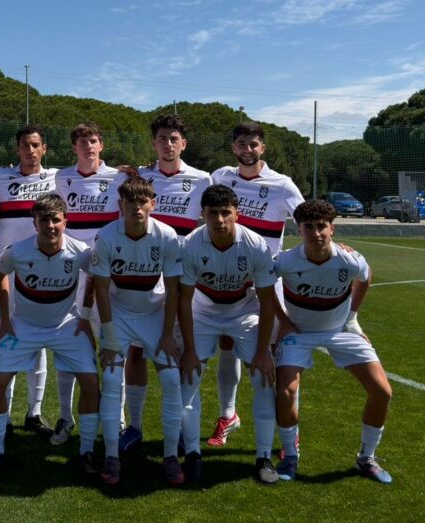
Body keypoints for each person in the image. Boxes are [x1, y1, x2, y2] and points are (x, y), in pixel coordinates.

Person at [273, 199, 393, 483]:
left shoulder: (349, 259)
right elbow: (263, 286)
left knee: (382, 392)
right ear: (298, 229)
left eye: (322, 227)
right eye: (309, 227)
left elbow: (365, 276)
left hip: (340, 330)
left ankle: (367, 458)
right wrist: (283, 320)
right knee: (287, 392)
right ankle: (290, 456)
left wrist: (352, 317)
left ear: (332, 229)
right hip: (299, 334)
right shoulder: (286, 260)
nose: (316, 233)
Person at [0, 194, 100, 475]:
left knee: (92, 384)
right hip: (23, 326)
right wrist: (7, 319)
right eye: (44, 220)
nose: (50, 226)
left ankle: (86, 452)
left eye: (55, 220)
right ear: (35, 223)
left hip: (66, 325)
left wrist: (83, 318)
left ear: (65, 221)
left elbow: (95, 277)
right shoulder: (18, 251)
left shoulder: (79, 251)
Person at [118, 113, 212, 457]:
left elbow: (220, 220)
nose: (168, 144)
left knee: (185, 350)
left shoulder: (203, 179)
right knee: (136, 352)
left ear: (183, 143)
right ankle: (136, 427)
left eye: (174, 138)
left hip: (185, 276)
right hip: (146, 271)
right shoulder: (143, 178)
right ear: (154, 143)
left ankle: (187, 432)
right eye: (162, 139)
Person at [208, 122, 304, 448]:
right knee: (226, 348)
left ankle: (287, 434)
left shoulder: (282, 184)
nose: (247, 150)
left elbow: (306, 221)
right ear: (234, 148)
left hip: (265, 285)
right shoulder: (221, 177)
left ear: (262, 148)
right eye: (241, 144)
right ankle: (228, 415)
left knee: (272, 360)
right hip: (226, 282)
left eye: (253, 144)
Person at [179, 184, 279, 484]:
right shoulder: (191, 245)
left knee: (263, 378)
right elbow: (184, 300)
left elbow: (267, 301)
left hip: (244, 311)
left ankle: (263, 456)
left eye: (226, 213)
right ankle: (193, 453)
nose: (220, 220)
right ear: (202, 214)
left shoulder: (256, 244)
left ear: (237, 213)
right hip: (204, 311)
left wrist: (263, 353)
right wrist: (190, 350)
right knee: (189, 377)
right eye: (213, 213)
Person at [90, 175, 184, 486]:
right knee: (112, 377)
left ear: (152, 204)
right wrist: (110, 336)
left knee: (171, 379)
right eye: (131, 205)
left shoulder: (168, 236)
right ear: (121, 206)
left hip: (154, 313)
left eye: (143, 204)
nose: (137, 210)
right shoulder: (105, 236)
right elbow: (101, 290)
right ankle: (113, 455)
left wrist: (168, 333)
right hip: (118, 314)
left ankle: (170, 456)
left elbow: (173, 290)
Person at [52, 123, 126, 445]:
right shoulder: (59, 177)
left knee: (113, 345)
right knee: (68, 346)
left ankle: (118, 418)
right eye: (82, 141)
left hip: (107, 275)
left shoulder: (119, 178)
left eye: (93, 140)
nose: (88, 146)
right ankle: (65, 418)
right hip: (70, 275)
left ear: (102, 145)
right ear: (74, 148)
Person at [0, 125, 57, 434]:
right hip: (7, 274)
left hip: (43, 274)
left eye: (35, 145)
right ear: (17, 149)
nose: (30, 150)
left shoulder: (57, 177)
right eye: (25, 145)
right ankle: (7, 414)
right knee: (6, 338)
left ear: (44, 149)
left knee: (39, 341)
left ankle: (35, 412)